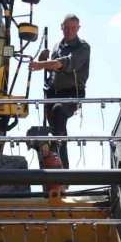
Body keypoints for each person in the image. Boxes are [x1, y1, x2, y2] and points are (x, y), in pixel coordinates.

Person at [28, 14, 90, 169]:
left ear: (78, 28)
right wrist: (45, 61)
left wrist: (41, 64)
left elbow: (64, 64)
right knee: (56, 127)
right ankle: (61, 171)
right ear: (61, 27)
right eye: (67, 27)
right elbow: (54, 70)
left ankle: (56, 153)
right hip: (53, 93)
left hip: (72, 93)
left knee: (59, 112)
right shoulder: (56, 46)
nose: (70, 31)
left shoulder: (83, 47)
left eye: (73, 28)